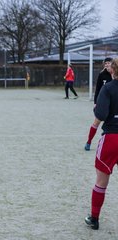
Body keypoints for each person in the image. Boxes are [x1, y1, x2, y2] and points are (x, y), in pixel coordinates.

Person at [84, 58, 118, 230]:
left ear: (113, 70)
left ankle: (94, 219)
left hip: (112, 138)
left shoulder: (108, 88)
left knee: (101, 181)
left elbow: (101, 114)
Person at [84, 57, 113, 151]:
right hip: (103, 102)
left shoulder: (115, 75)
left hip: (114, 103)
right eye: (106, 63)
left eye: (109, 63)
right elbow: (97, 89)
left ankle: (108, 144)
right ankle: (89, 142)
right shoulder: (102, 75)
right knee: (96, 122)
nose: (107, 65)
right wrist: (96, 102)